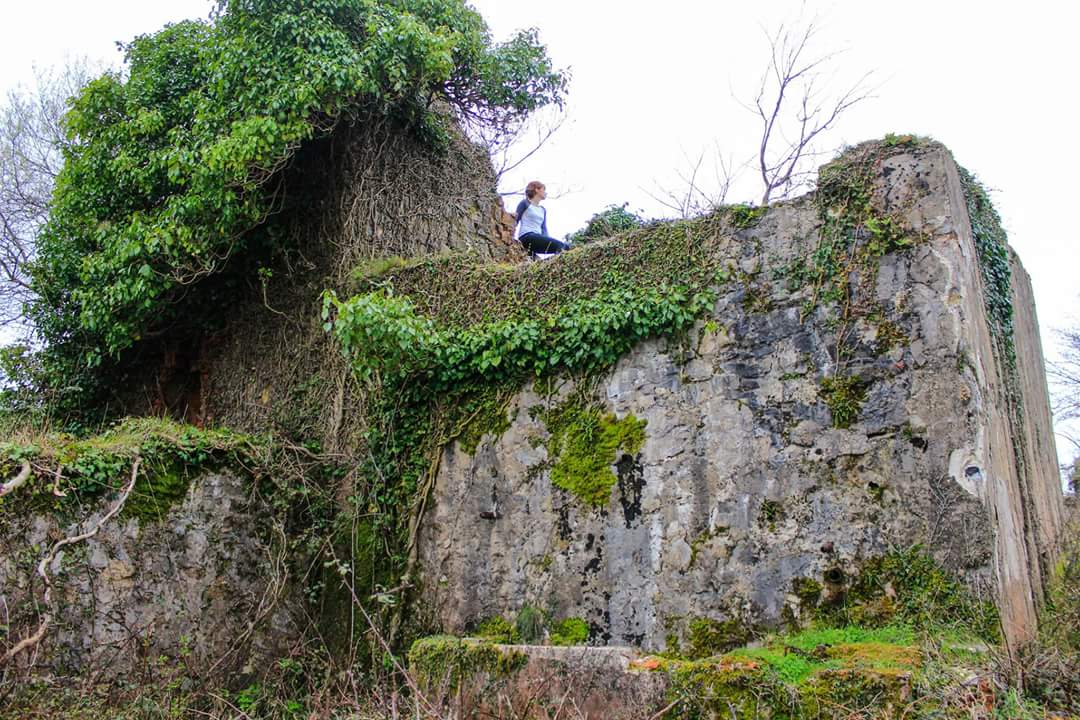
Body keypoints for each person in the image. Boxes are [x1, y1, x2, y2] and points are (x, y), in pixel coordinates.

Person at [514, 181, 569, 255]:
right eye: (544, 190)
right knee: (561, 246)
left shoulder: (542, 210)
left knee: (566, 247)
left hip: (538, 237)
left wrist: (547, 241)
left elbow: (544, 228)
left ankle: (552, 264)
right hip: (526, 236)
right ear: (537, 189)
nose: (545, 193)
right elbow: (515, 221)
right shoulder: (525, 203)